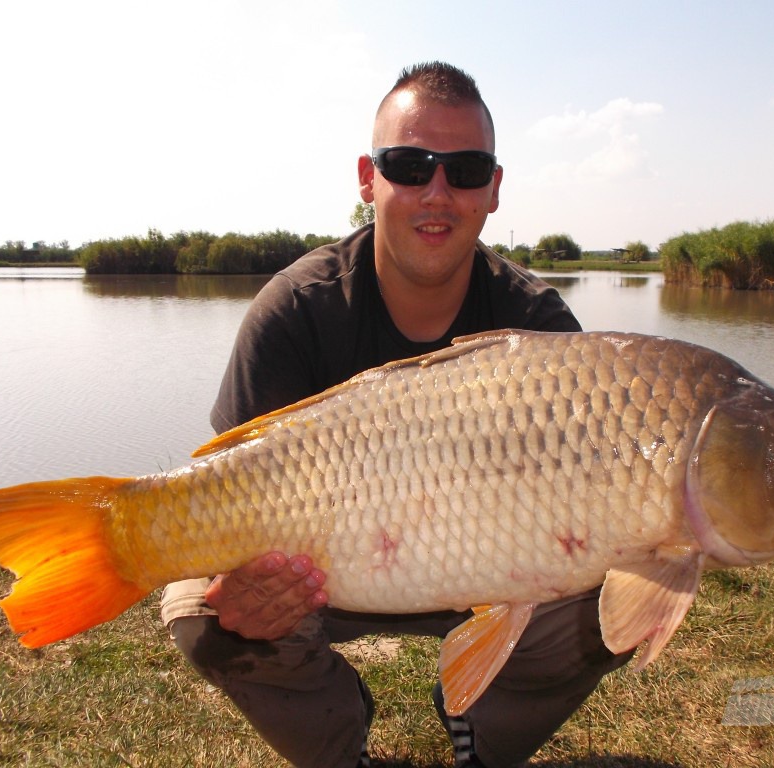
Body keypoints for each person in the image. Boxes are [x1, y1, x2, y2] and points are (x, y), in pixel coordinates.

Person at [160, 61, 634, 768]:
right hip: (330, 574)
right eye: (410, 165)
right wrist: (241, 583)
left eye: (466, 169)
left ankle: (485, 722)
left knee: (621, 597)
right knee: (199, 611)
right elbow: (229, 488)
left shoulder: (537, 324)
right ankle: (336, 738)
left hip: (501, 573)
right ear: (367, 178)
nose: (437, 191)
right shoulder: (294, 309)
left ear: (494, 189)